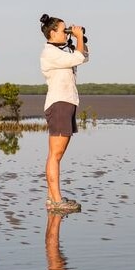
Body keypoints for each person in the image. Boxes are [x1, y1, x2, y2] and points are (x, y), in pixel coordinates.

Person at [39, 13, 89, 213]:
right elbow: (78, 57)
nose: (67, 32)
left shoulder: (60, 51)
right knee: (56, 155)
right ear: (52, 33)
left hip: (66, 102)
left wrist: (80, 39)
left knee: (56, 154)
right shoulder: (50, 53)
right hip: (59, 103)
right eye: (64, 30)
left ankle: (53, 197)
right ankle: (56, 200)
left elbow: (84, 57)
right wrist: (76, 39)